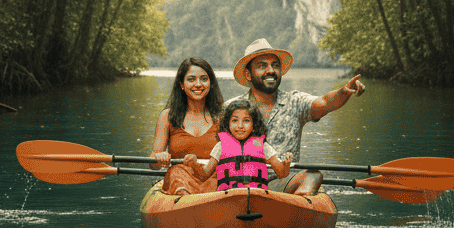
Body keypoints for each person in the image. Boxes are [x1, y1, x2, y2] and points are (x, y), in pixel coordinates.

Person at [227, 38, 366, 195]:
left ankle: (300, 202)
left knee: (312, 175)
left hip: (283, 184)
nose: (271, 70)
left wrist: (344, 90)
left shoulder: (296, 102)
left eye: (275, 65)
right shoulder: (230, 109)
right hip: (240, 185)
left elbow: (325, 102)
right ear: (248, 74)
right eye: (262, 66)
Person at [149, 57, 224, 194]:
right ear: (182, 85)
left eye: (204, 79)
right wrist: (159, 157)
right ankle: (185, 196)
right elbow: (154, 166)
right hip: (179, 178)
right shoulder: (167, 116)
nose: (198, 84)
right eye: (191, 79)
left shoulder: (223, 117)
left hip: (213, 179)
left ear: (211, 83)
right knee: (177, 172)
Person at [183, 99, 293, 189]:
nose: (240, 126)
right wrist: (194, 165)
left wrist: (286, 164)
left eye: (246, 121)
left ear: (254, 124)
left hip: (256, 195)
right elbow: (204, 175)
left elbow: (281, 174)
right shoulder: (221, 146)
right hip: (228, 196)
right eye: (235, 120)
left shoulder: (264, 146)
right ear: (228, 123)